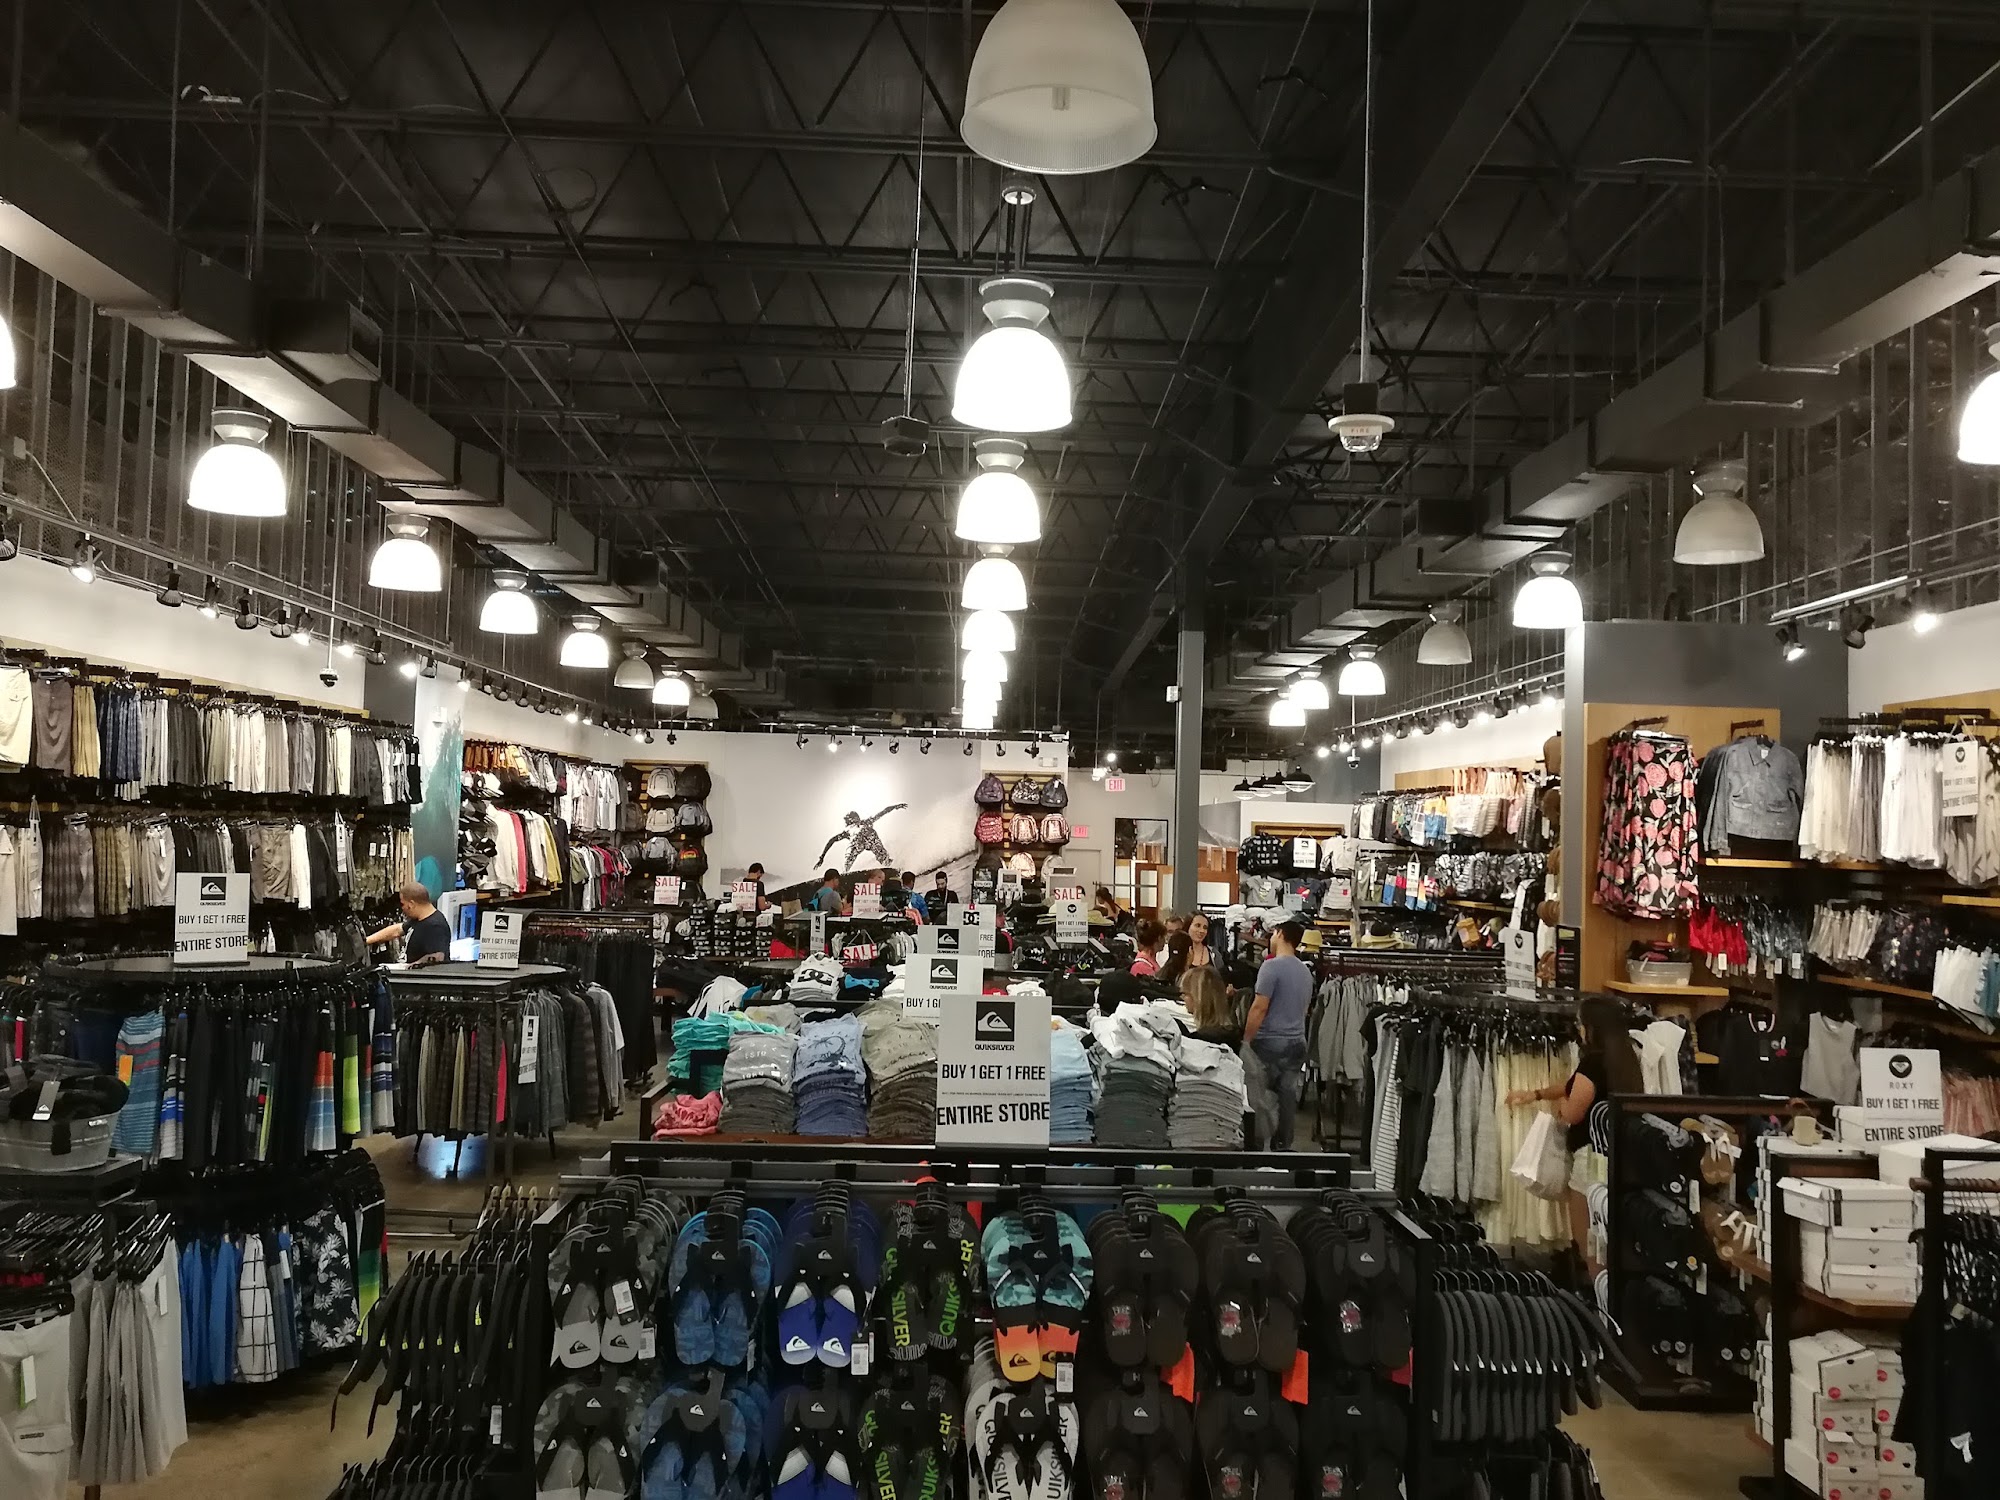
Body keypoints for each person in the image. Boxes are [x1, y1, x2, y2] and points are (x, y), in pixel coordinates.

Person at [1507, 997, 1644, 1272]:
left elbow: (1572, 1112)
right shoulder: (1627, 1059)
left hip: (1590, 1160)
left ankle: (1599, 1291)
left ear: (1593, 1027)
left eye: (1581, 1023)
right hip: (1621, 1156)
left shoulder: (1592, 1063)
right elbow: (1573, 1085)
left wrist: (1561, 1105)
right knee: (1612, 1237)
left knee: (1588, 1239)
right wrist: (1537, 1094)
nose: (1579, 1029)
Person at [1243, 920, 1312, 1149]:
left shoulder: (1271, 967)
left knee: (1261, 1095)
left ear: (1280, 934)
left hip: (1270, 1041)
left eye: (1273, 933)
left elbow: (1259, 1007)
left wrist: (1246, 1040)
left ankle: (1259, 1145)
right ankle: (1283, 1146)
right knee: (1287, 1096)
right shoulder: (1305, 971)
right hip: (1297, 1041)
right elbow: (1304, 1009)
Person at [365, 881, 452, 966]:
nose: (402, 908)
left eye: (403, 904)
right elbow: (396, 930)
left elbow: (438, 957)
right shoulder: (419, 919)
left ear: (411, 904)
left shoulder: (435, 927)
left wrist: (409, 967)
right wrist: (366, 941)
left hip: (416, 974)